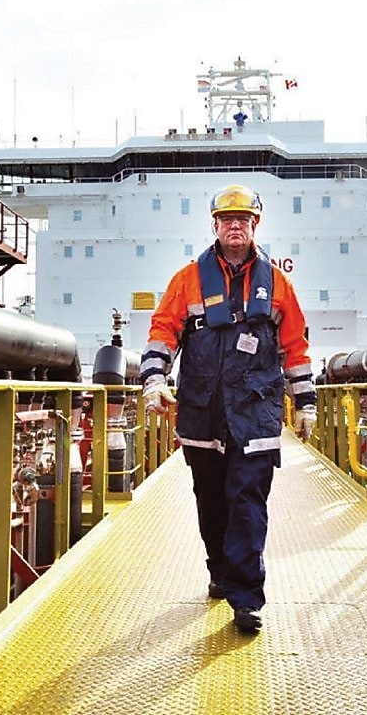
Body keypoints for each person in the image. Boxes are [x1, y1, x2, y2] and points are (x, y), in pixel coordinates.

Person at [141, 184, 318, 634]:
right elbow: (163, 331)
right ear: (215, 226)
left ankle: (246, 597)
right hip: (203, 411)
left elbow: (295, 347)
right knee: (212, 499)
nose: (235, 226)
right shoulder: (187, 280)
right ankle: (219, 569)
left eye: (243, 219)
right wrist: (155, 380)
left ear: (255, 225)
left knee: (247, 501)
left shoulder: (278, 284)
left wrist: (306, 403)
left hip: (255, 412)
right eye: (227, 219)